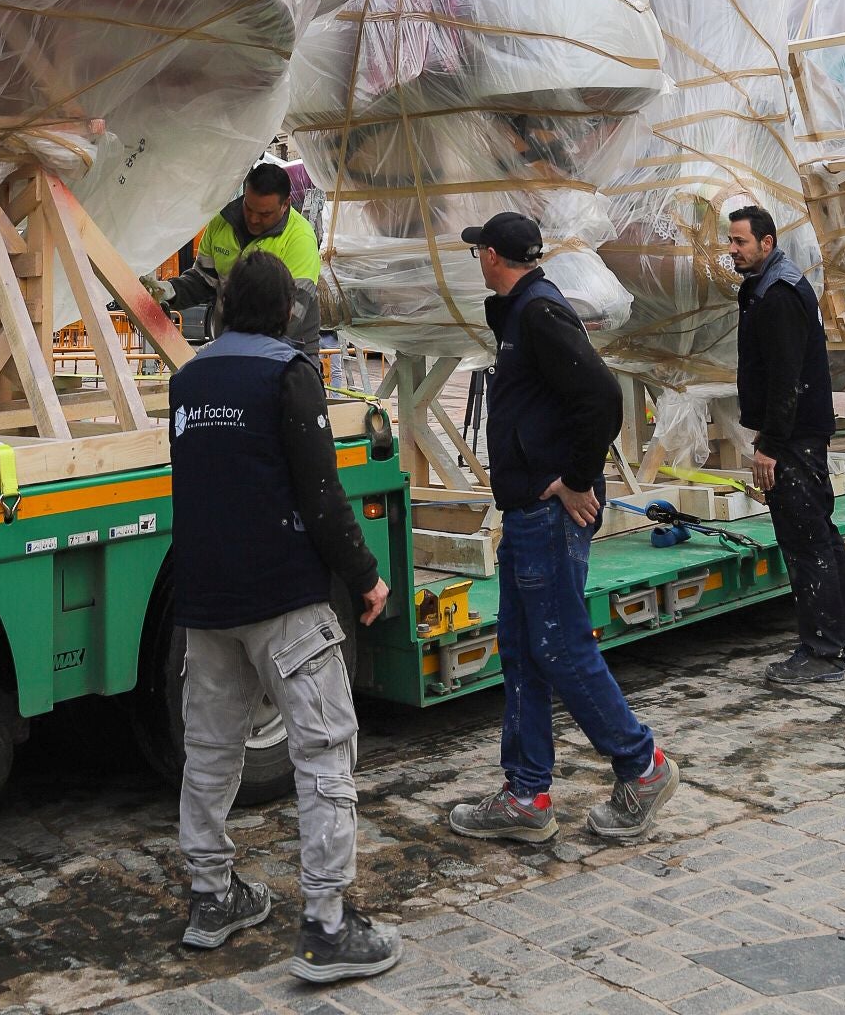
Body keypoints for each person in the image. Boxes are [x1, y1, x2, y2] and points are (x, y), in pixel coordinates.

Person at [169, 250, 401, 986]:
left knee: (209, 751)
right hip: (283, 600)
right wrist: (364, 576)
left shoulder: (188, 376)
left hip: (205, 601)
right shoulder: (287, 374)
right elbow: (321, 493)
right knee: (324, 751)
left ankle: (212, 897)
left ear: (227, 307)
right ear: (287, 313)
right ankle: (328, 924)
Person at [447, 211, 678, 844]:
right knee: (524, 649)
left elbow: (602, 397)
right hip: (531, 507)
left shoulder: (539, 314)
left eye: (478, 253)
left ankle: (642, 765)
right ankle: (526, 794)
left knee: (558, 645)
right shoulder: (521, 313)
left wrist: (576, 478)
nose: (478, 263)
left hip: (550, 511)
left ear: (493, 256)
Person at [728, 204, 845, 683]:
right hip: (798, 435)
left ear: (767, 243)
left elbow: (787, 380)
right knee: (820, 539)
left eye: (741, 241)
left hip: (794, 440)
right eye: (731, 241)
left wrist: (769, 444)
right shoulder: (766, 287)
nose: (732, 249)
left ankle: (822, 651)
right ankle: (844, 641)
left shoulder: (778, 294)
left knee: (806, 543)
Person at [157, 158, 323, 367]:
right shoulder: (220, 224)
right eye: (249, 208)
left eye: (264, 214)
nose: (253, 219)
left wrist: (231, 347)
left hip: (290, 357)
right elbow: (204, 280)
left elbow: (292, 315)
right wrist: (171, 291)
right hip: (233, 350)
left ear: (285, 205)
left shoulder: (300, 239)